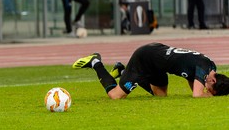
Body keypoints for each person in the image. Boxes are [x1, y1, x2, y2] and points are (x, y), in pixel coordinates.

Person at [72, 42, 229, 99]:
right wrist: (206, 96)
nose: (206, 91)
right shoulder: (203, 69)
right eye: (210, 90)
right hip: (145, 58)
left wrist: (204, 90)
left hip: (158, 60)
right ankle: (96, 62)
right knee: (115, 96)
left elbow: (192, 79)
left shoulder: (211, 67)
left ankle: (122, 71)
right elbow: (196, 95)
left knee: (160, 95)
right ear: (213, 80)